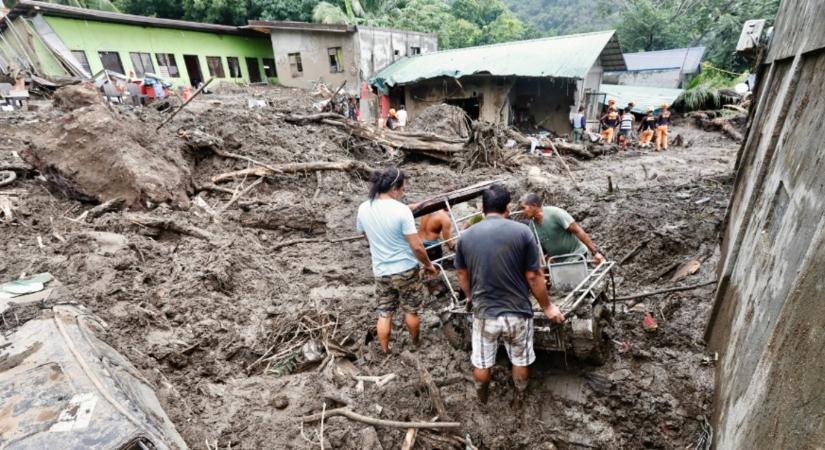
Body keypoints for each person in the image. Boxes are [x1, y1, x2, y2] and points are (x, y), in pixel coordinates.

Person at [454, 184, 565, 406]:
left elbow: (461, 274)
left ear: (482, 208)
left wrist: (469, 297)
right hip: (517, 312)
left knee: (482, 363)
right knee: (520, 358)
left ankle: (482, 397)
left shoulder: (465, 237)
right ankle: (520, 395)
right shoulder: (522, 232)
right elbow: (534, 276)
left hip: (485, 312)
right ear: (508, 207)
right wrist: (548, 307)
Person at [356, 168, 438, 354]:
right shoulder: (401, 211)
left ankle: (385, 351)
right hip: (405, 269)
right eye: (402, 189)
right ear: (394, 188)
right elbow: (417, 247)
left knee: (385, 313)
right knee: (411, 310)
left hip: (381, 270)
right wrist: (428, 265)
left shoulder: (363, 208)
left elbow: (366, 236)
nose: (403, 192)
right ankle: (415, 344)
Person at [518, 193, 605, 265]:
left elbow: (578, 231)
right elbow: (539, 250)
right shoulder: (532, 226)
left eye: (523, 208)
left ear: (534, 206)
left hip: (577, 255)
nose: (522, 211)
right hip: (559, 262)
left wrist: (595, 253)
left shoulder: (555, 214)